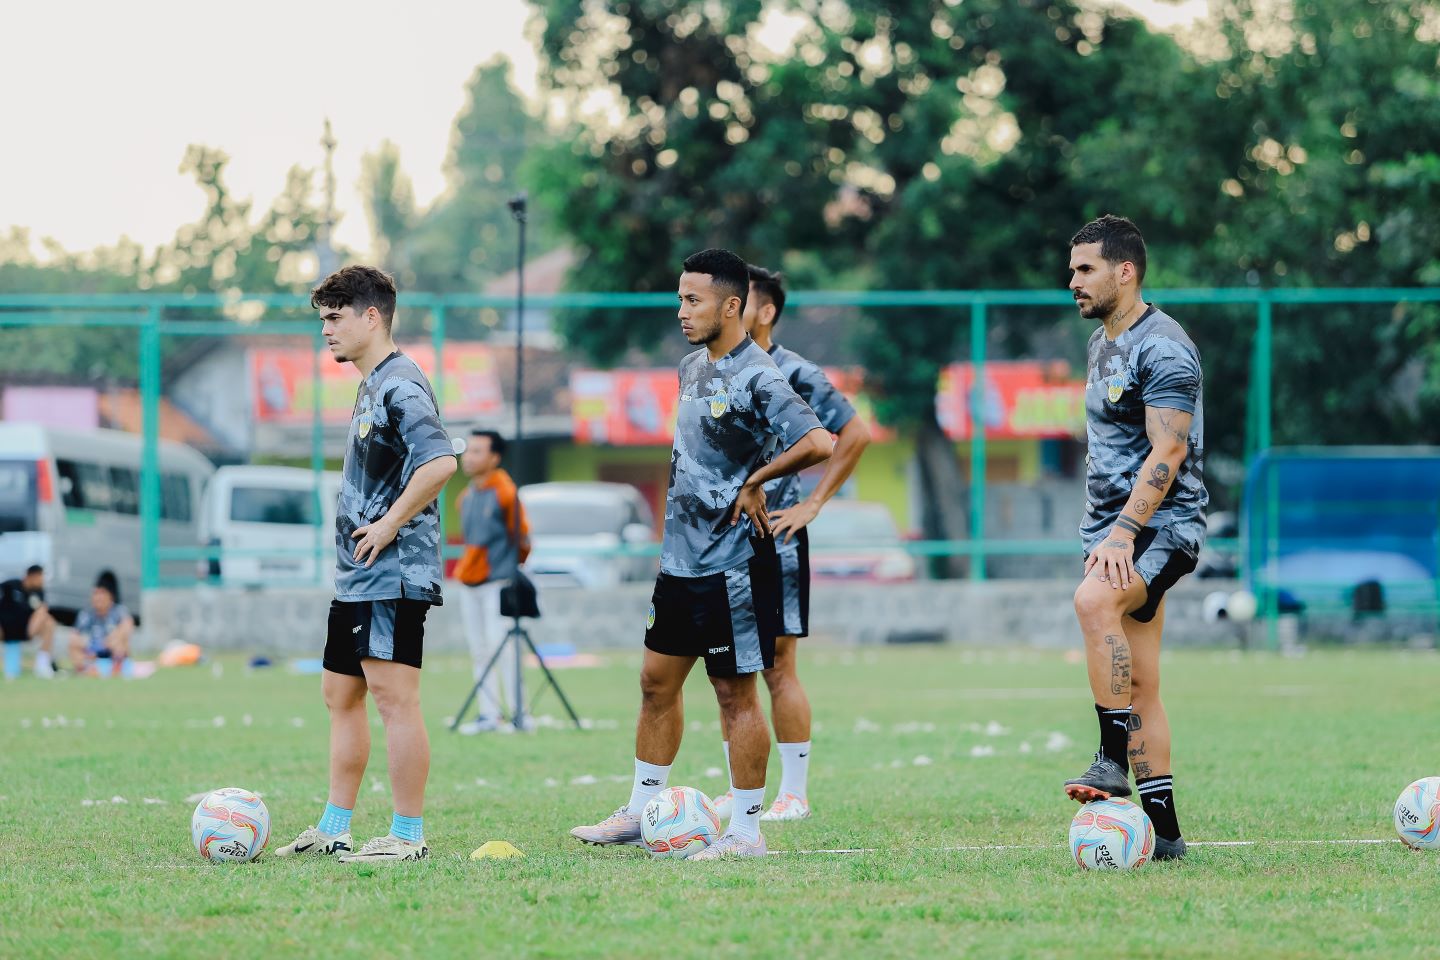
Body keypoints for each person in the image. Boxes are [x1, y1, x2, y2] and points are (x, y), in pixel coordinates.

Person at [570, 248, 833, 860]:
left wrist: (756, 479)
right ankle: (640, 810)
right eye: (680, 298)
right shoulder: (691, 367)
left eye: (694, 300)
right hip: (678, 563)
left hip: (732, 565)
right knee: (654, 682)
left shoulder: (760, 373)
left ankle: (746, 833)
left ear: (732, 305)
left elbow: (818, 441)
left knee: (734, 693)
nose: (682, 310)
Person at [275, 265, 457, 865]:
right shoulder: (371, 382)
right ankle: (335, 826)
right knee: (339, 692)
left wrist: (387, 524)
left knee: (393, 697)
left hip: (392, 568)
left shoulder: (402, 383)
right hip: (358, 572)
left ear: (370, 316)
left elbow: (440, 464)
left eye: (334, 318)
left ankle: (407, 837)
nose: (325, 331)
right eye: (323, 319)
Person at [1062, 214, 1207, 862]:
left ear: (1126, 271)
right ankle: (1166, 835)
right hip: (1111, 531)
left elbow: (1169, 448)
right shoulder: (1103, 343)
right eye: (1072, 270)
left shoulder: (1164, 345)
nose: (1073, 282)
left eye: (1086, 269)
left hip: (1160, 527)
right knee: (1142, 681)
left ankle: (1108, 760)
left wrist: (1123, 535)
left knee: (1094, 603)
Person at [709, 265, 871, 824]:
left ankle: (794, 793)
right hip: (721, 544)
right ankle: (741, 785)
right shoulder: (717, 370)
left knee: (778, 666)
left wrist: (813, 503)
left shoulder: (795, 372)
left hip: (774, 538)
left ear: (765, 310)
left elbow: (853, 434)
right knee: (732, 670)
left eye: (740, 300)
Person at [454, 428, 531, 733]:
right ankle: (488, 714)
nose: (468, 457)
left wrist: (512, 569)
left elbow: (523, 537)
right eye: (467, 450)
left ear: (494, 457)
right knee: (479, 649)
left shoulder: (505, 492)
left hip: (497, 581)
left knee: (504, 647)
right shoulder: (466, 496)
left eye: (476, 451)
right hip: (470, 581)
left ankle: (519, 714)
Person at [70, 572, 133, 677]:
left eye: (102, 593)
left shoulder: (118, 611)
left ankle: (115, 670)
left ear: (110, 596)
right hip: (92, 650)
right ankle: (86, 670)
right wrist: (87, 645)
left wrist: (110, 640)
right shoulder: (86, 614)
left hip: (111, 649)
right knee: (73, 644)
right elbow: (74, 635)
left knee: (119, 642)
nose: (98, 597)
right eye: (95, 593)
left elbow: (128, 625)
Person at [2, 565, 57, 678]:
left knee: (48, 619)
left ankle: (42, 664)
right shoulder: (11, 585)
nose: (42, 580)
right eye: (40, 576)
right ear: (32, 576)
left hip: (27, 630)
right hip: (4, 629)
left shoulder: (39, 592)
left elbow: (41, 611)